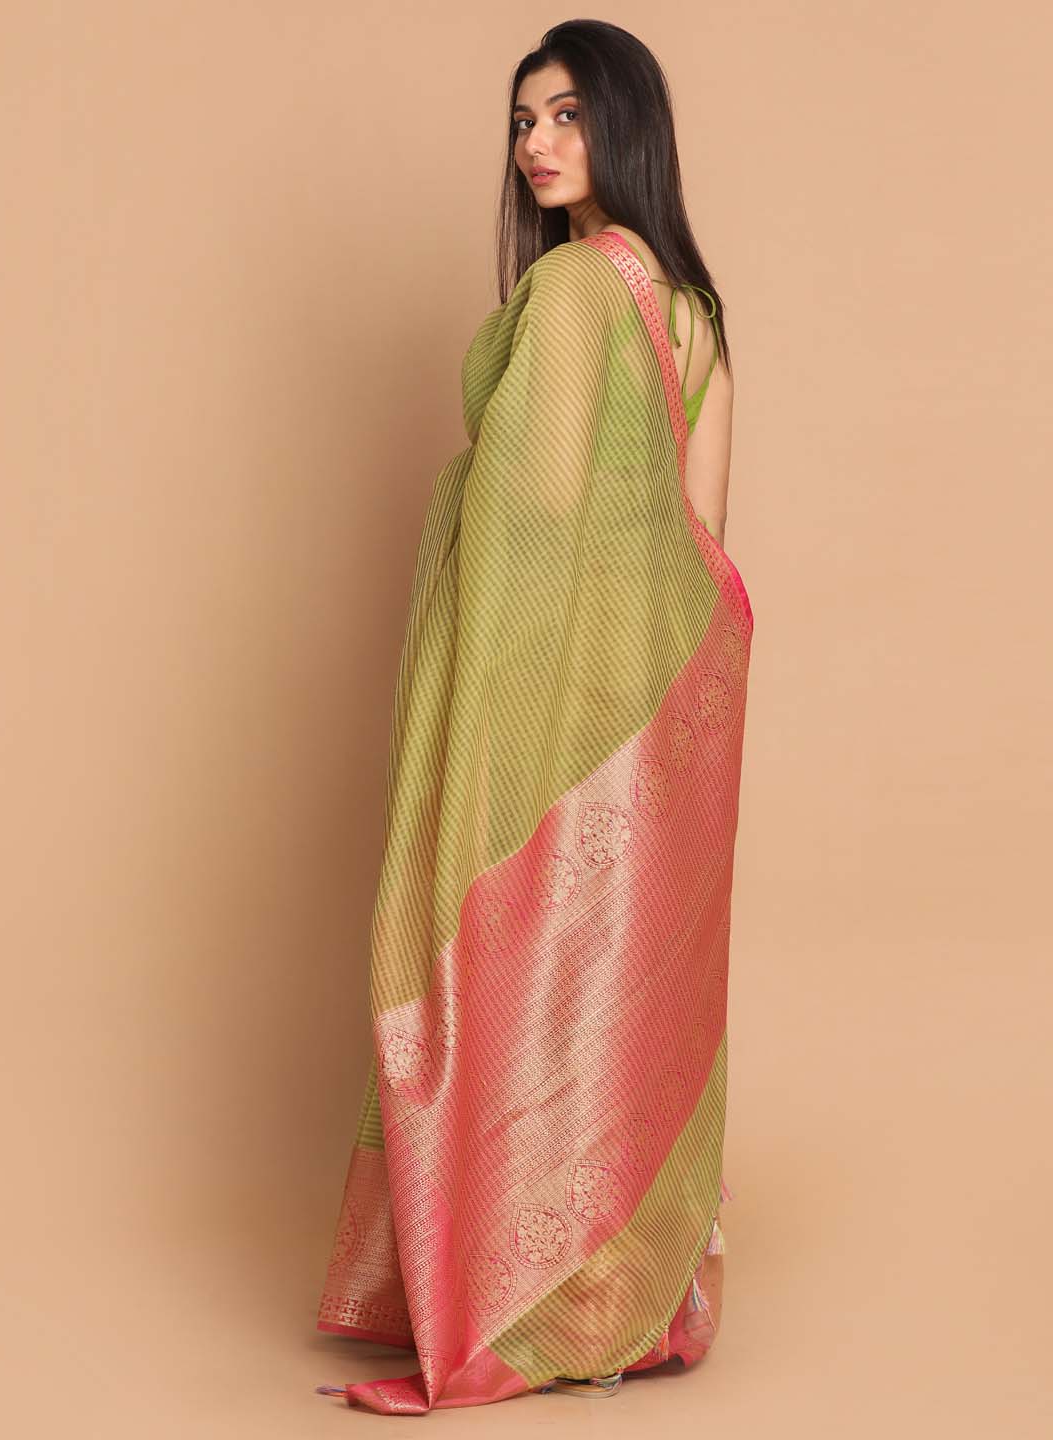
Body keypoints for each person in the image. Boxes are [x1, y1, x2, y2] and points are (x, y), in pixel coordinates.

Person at [314, 18, 753, 1414]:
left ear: (626, 125)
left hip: (553, 695)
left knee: (511, 979)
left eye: (566, 114)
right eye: (522, 121)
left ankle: (503, 1303)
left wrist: (462, 485)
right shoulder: (694, 310)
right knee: (615, 993)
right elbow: (706, 540)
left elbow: (541, 504)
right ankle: (620, 1303)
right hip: (653, 704)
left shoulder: (570, 292)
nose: (537, 144)